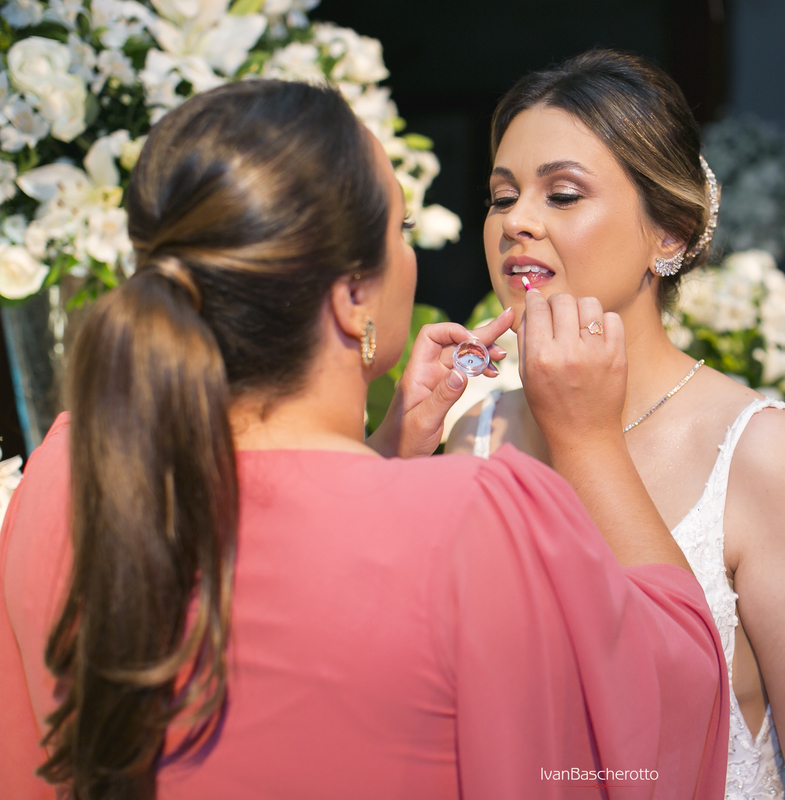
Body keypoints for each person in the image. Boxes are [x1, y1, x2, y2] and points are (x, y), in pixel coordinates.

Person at [0, 80, 730, 800]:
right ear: (355, 297)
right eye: (401, 231)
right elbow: (672, 706)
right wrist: (589, 439)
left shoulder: (69, 472)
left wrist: (385, 454)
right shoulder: (478, 515)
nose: (516, 225)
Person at [446, 50, 785, 799]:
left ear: (670, 234)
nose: (516, 221)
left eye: (562, 194)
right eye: (502, 196)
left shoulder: (762, 453)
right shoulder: (475, 434)